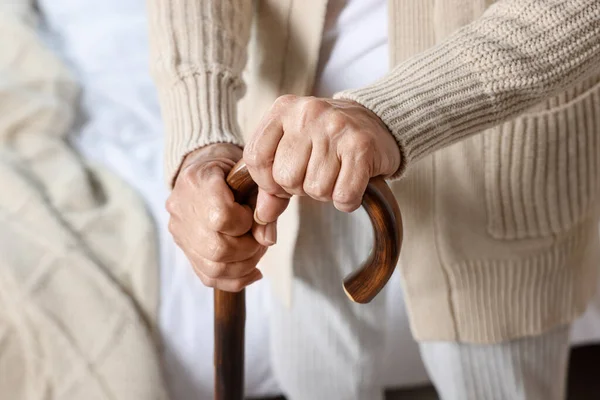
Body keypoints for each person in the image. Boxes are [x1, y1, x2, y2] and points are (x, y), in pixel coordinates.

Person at [148, 0, 600, 399]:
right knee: (316, 378)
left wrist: (391, 111)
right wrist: (201, 133)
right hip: (284, 158)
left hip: (498, 149)